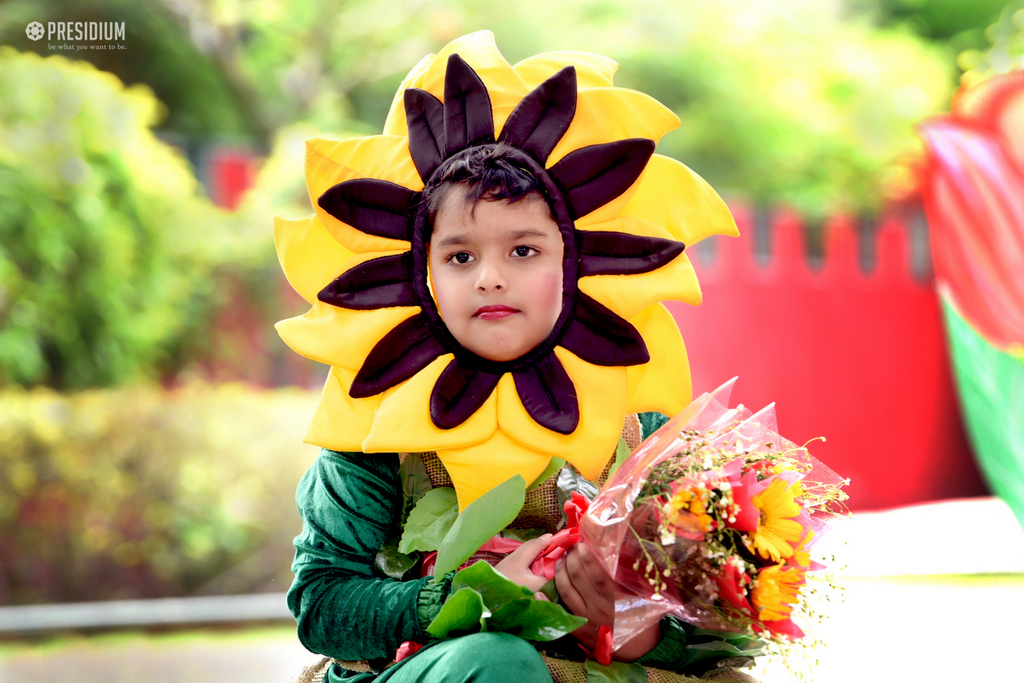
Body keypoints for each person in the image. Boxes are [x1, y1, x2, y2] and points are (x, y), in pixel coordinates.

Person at [277, 32, 742, 682]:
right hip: (452, 668)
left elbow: (729, 629)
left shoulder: (645, 421)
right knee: (501, 662)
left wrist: (635, 623)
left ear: (577, 262)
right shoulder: (379, 418)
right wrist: (471, 601)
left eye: (522, 251)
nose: (490, 278)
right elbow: (322, 604)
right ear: (421, 271)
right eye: (461, 256)